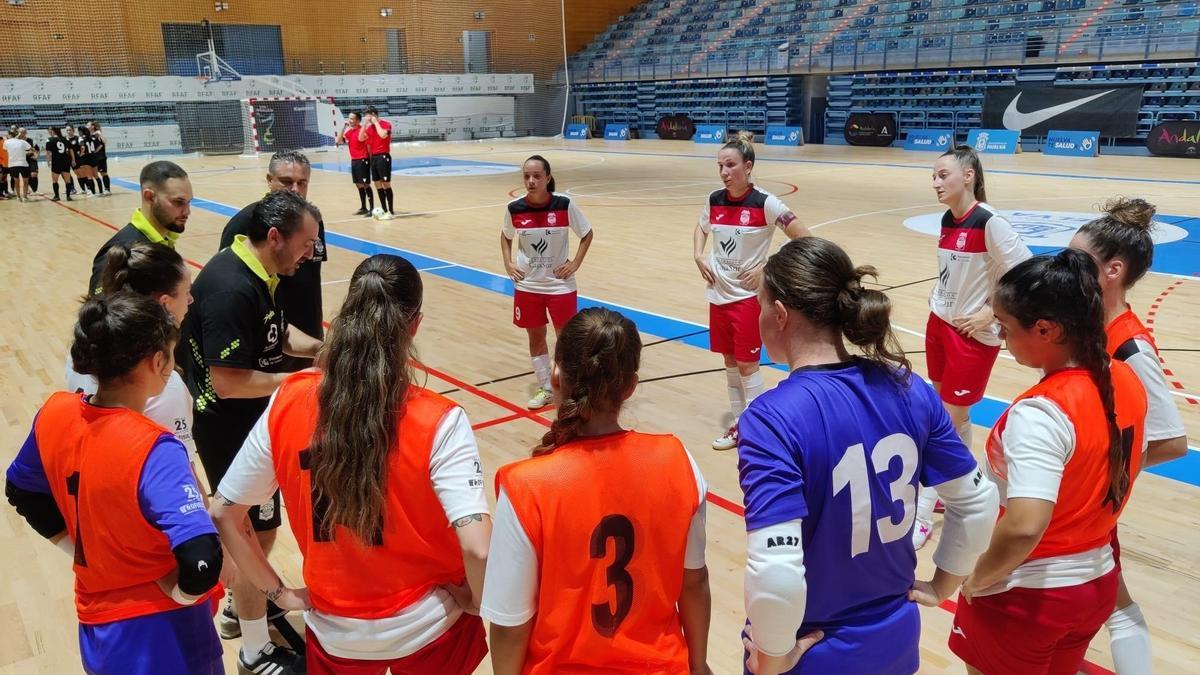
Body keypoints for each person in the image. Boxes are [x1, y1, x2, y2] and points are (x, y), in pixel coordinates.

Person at [212, 254, 492, 675]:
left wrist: (280, 594)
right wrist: (477, 600)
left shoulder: (289, 400)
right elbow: (478, 547)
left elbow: (224, 513)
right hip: (430, 624)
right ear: (414, 325)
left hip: (335, 629)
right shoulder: (440, 419)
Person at [737, 237, 999, 675]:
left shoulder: (771, 418)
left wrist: (774, 654)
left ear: (780, 314)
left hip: (814, 650)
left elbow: (776, 566)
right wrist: (943, 585)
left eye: (761, 305)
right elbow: (977, 503)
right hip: (895, 638)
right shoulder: (909, 388)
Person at [482, 307, 713, 675]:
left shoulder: (525, 486)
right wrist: (698, 666)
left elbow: (511, 626)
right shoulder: (678, 459)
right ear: (631, 386)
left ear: (555, 376)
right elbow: (695, 580)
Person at [949, 249, 1148, 675]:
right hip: (1096, 581)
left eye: (1005, 328)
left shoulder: (1041, 412)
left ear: (1045, 329)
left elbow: (1025, 526)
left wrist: (980, 577)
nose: (1001, 339)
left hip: (1028, 594)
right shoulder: (1126, 378)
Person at [5, 292, 224, 674]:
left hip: (99, 629)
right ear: (157, 361)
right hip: (164, 634)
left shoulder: (54, 412)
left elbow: (21, 491)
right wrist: (180, 594)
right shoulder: (155, 448)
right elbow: (202, 561)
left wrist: (79, 550)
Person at [178, 188, 323, 675]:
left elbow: (275, 336)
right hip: (229, 429)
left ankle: (241, 608)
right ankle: (255, 650)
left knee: (260, 531)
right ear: (276, 236)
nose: (311, 254)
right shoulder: (230, 286)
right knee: (249, 536)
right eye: (306, 243)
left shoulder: (260, 271)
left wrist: (320, 351)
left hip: (249, 423)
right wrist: (303, 380)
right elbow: (228, 381)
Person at [1069, 197, 1188, 675]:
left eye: (1077, 259)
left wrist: (1108, 471)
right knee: (1100, 597)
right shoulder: (1090, 324)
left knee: (1112, 601)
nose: (1066, 266)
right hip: (1080, 492)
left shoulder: (1131, 347)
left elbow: (1172, 442)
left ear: (1113, 270)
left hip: (1093, 496)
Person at [913, 145, 1031, 550]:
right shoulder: (948, 219)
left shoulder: (990, 222)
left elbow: (1026, 273)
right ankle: (958, 490)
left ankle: (922, 514)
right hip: (939, 324)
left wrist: (991, 313)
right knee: (951, 416)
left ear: (968, 176)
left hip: (970, 336)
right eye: (933, 176)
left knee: (942, 422)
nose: (935, 182)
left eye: (942, 175)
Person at [693, 130, 810, 451]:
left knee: (747, 365)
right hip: (717, 296)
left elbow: (804, 238)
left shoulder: (766, 203)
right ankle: (740, 423)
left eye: (730, 165)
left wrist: (769, 267)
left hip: (746, 300)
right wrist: (698, 254)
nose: (724, 172)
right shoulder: (714, 199)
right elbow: (701, 227)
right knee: (730, 361)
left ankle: (755, 429)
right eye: (720, 166)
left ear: (748, 166)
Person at [69, 243, 196, 462]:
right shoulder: (163, 384)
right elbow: (183, 468)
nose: (191, 300)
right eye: (187, 292)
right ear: (165, 304)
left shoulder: (89, 344)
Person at [500, 154, 594, 409]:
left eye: (537, 176)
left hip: (560, 285)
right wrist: (508, 263)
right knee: (536, 337)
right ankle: (546, 387)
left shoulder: (564, 204)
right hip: (528, 286)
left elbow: (587, 233)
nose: (531, 181)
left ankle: (569, 386)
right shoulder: (514, 208)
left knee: (566, 339)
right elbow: (506, 235)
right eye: (526, 176)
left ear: (548, 178)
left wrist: (575, 263)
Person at [219, 150, 328, 370]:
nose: (295, 189)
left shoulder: (311, 221)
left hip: (307, 338)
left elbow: (311, 279)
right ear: (270, 180)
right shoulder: (245, 223)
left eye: (302, 183)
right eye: (286, 181)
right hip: (269, 339)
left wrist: (316, 334)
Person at [88, 160, 192, 296]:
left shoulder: (164, 240)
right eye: (178, 202)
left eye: (189, 202)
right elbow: (100, 307)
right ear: (149, 197)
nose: (187, 211)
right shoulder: (123, 250)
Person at [358, 106, 395, 219]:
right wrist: (365, 124)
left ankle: (391, 210)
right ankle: (384, 209)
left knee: (385, 183)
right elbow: (360, 138)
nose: (366, 118)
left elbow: (383, 135)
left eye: (367, 116)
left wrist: (375, 122)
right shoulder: (369, 128)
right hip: (373, 158)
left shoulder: (386, 124)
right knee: (377, 184)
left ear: (373, 114)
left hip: (383, 156)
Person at [336, 111, 374, 216]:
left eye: (352, 119)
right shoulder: (350, 131)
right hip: (354, 160)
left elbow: (369, 146)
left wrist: (370, 161)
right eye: (349, 118)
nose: (350, 120)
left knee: (366, 184)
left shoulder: (362, 131)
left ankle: (372, 208)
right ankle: (364, 207)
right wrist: (343, 127)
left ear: (358, 120)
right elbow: (339, 141)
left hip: (363, 160)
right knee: (358, 184)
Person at [46, 126, 75, 201]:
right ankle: (68, 196)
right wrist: (73, 160)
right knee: (67, 180)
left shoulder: (50, 140)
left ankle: (57, 196)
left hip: (56, 161)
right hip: (65, 161)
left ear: (53, 131)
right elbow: (71, 150)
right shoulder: (65, 139)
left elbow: (48, 152)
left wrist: (48, 162)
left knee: (55, 180)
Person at [3, 128, 31, 201]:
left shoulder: (6, 142)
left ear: (9, 135)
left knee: (16, 181)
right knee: (25, 181)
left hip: (12, 164)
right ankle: (25, 197)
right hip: (23, 164)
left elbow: (5, 150)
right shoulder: (22, 141)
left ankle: (18, 197)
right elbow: (30, 148)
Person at [87, 121, 111, 195]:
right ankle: (92, 190)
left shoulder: (97, 134)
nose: (86, 126)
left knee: (103, 173)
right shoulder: (88, 135)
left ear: (93, 126)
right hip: (92, 158)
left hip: (100, 157)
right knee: (91, 174)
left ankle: (107, 189)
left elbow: (104, 142)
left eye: (88, 125)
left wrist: (100, 134)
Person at [19, 127, 39, 195]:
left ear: (26, 133)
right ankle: (28, 189)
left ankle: (35, 190)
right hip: (22, 160)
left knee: (34, 174)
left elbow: (37, 149)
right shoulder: (17, 142)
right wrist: (26, 153)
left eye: (23, 132)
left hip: (31, 160)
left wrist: (36, 156)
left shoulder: (31, 140)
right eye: (20, 132)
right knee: (26, 176)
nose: (22, 134)